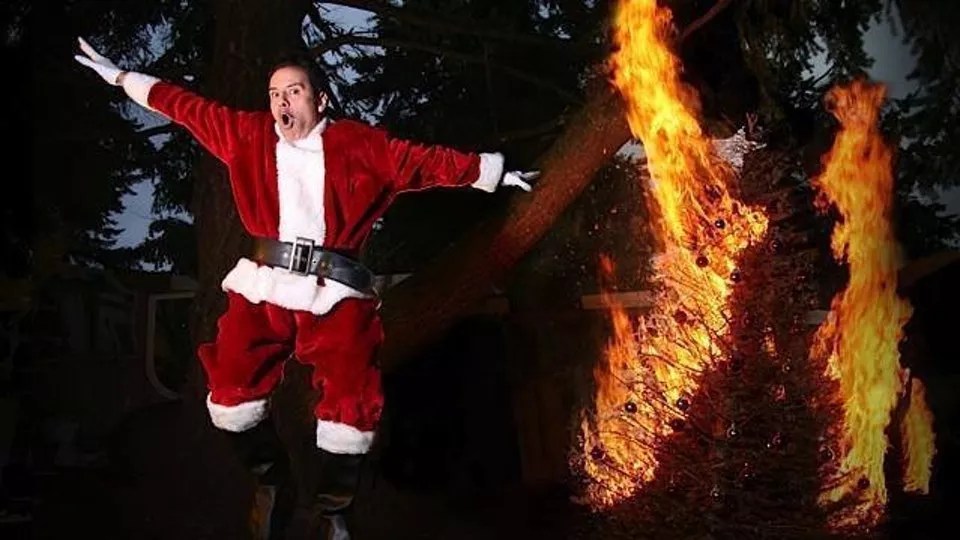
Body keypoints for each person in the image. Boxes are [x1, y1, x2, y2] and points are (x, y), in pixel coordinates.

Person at [73, 37, 538, 538]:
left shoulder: (360, 146)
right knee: (229, 392)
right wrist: (122, 78)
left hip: (334, 292)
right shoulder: (247, 136)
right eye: (275, 94)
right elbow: (185, 107)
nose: (282, 103)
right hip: (264, 287)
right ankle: (272, 480)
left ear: (321, 99)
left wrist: (494, 172)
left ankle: (333, 511)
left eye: (293, 92)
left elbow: (424, 161)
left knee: (351, 400)